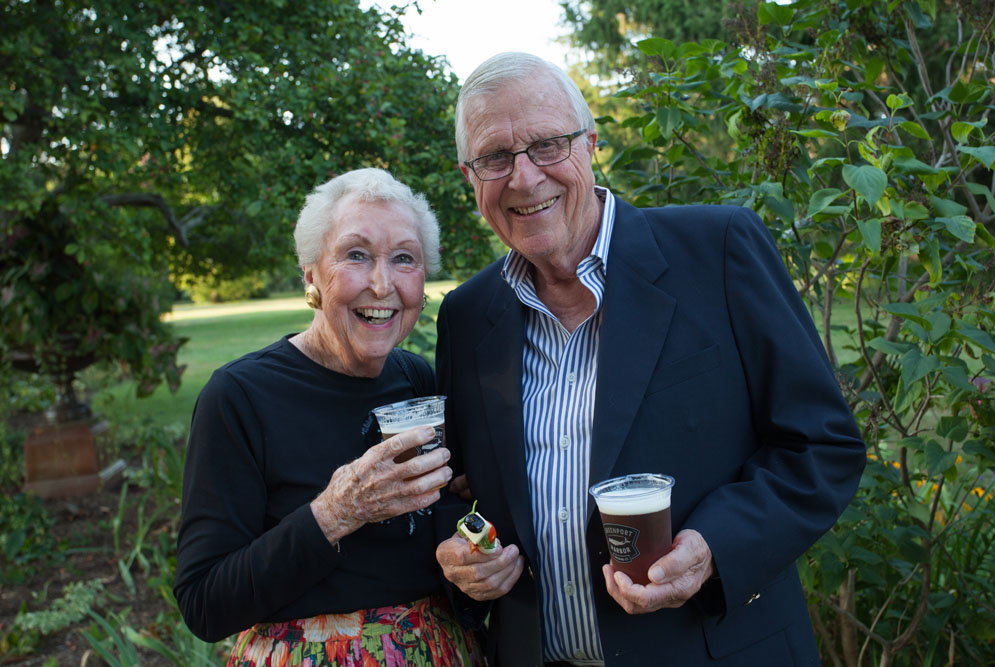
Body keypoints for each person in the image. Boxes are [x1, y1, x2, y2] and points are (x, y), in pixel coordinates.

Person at [434, 52, 867, 666]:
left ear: (590, 144)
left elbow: (823, 446)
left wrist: (715, 546)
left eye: (547, 146)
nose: (525, 179)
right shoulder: (468, 315)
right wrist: (458, 548)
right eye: (495, 158)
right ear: (470, 175)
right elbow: (461, 488)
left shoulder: (717, 251)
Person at [174, 168, 484, 666]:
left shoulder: (420, 383)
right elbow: (204, 603)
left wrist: (473, 558)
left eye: (404, 259)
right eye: (356, 255)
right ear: (312, 275)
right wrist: (336, 513)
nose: (382, 284)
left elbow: (443, 534)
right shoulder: (239, 397)